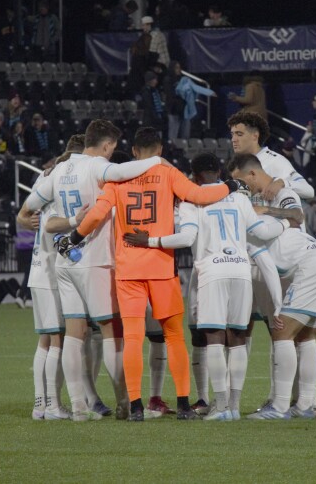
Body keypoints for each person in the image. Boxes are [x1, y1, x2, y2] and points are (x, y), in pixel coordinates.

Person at [61, 127, 240, 421]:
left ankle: (135, 407)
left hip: (128, 269)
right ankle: (183, 405)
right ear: (160, 153)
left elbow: (96, 214)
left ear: (134, 153)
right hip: (161, 267)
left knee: (132, 338)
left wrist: (76, 237)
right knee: (174, 336)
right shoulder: (168, 175)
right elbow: (197, 195)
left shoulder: (117, 180)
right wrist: (231, 187)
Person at [123, 152, 290, 420]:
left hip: (213, 271)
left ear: (195, 175)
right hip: (240, 270)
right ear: (219, 171)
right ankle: (234, 407)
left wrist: (150, 241)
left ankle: (221, 407)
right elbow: (262, 233)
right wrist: (285, 223)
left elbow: (186, 237)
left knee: (213, 338)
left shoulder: (193, 200)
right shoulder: (239, 198)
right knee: (237, 339)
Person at [25, 121, 171, 422]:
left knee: (75, 333)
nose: (111, 153)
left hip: (66, 263)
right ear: (106, 146)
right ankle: (125, 403)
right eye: (112, 148)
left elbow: (31, 205)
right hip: (95, 260)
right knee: (111, 333)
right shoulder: (96, 166)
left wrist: (28, 217)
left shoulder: (59, 169)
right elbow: (121, 172)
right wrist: (156, 160)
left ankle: (78, 407)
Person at [227, 153, 316, 420]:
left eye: (241, 181)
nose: (241, 188)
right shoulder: (250, 204)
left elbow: (296, 214)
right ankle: (305, 405)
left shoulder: (280, 193)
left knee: (282, 334)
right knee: (306, 338)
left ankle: (279, 406)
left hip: (313, 267)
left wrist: (264, 210)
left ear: (252, 173)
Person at [16, 137, 88, 421]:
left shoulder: (46, 177)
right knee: (54, 339)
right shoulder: (62, 180)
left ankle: (43, 405)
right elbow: (40, 221)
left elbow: (26, 212)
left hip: (41, 267)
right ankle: (49, 406)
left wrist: (24, 219)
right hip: (49, 268)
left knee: (46, 340)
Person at [228, 110, 314, 201]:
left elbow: (309, 191)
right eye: (232, 134)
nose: (233, 139)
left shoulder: (275, 161)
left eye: (239, 134)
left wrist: (281, 183)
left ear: (255, 136)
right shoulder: (235, 163)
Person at [169, 61, 215, 140]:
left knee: (185, 133)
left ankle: (184, 149)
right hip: (174, 110)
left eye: (179, 68)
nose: (179, 70)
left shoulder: (184, 79)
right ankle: (172, 149)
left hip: (185, 109)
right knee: (174, 133)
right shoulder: (168, 79)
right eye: (176, 68)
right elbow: (173, 93)